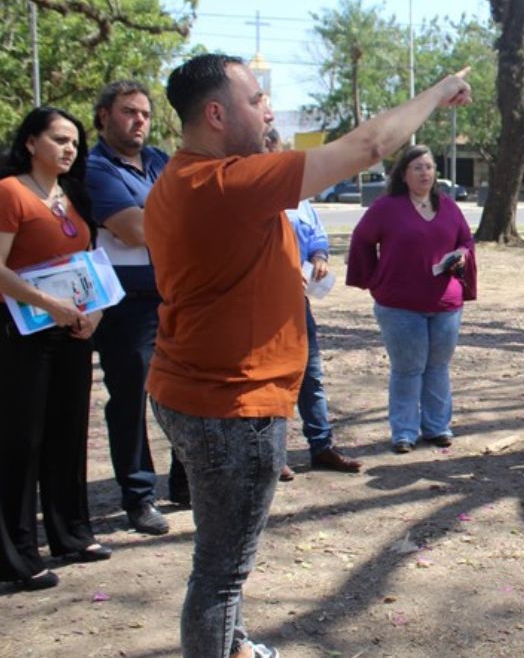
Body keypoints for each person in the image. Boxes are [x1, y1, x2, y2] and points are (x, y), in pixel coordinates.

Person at [144, 54, 469, 657]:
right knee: (221, 572)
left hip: (193, 390)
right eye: (254, 98)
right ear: (215, 114)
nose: (267, 106)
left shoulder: (181, 179)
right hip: (231, 408)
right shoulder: (226, 184)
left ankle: (235, 644)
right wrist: (439, 91)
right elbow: (371, 144)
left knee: (221, 554)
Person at [0, 107, 111, 592]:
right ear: (30, 142)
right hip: (21, 335)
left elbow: (89, 262)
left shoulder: (73, 196)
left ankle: (71, 533)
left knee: (68, 433)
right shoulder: (9, 192)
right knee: (23, 441)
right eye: (59, 139)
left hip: (73, 333)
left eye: (74, 142)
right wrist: (49, 304)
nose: (69, 149)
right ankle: (18, 555)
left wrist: (95, 312)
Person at [85, 80, 187, 536]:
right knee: (130, 399)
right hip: (127, 303)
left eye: (144, 113)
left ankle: (184, 481)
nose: (139, 121)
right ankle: (138, 496)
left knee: (185, 391)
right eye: (129, 112)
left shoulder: (160, 162)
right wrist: (181, 222)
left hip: (175, 293)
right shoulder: (95, 168)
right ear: (105, 116)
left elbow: (195, 208)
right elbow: (134, 230)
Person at [347, 145, 476, 454]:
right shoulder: (386, 208)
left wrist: (462, 255)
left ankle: (437, 427)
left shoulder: (447, 206)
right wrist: (374, 278)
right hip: (400, 305)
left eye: (429, 167)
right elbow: (361, 240)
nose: (424, 173)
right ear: (403, 174)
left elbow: (466, 240)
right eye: (417, 167)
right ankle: (404, 432)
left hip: (445, 304)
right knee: (407, 368)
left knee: (438, 367)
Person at [264, 128, 362, 480]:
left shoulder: (299, 197)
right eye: (265, 150)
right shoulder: (250, 195)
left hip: (298, 304)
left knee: (311, 376)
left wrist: (320, 256)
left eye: (276, 150)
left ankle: (321, 446)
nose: (273, 157)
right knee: (274, 380)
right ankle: (274, 455)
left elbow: (316, 235)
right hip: (261, 307)